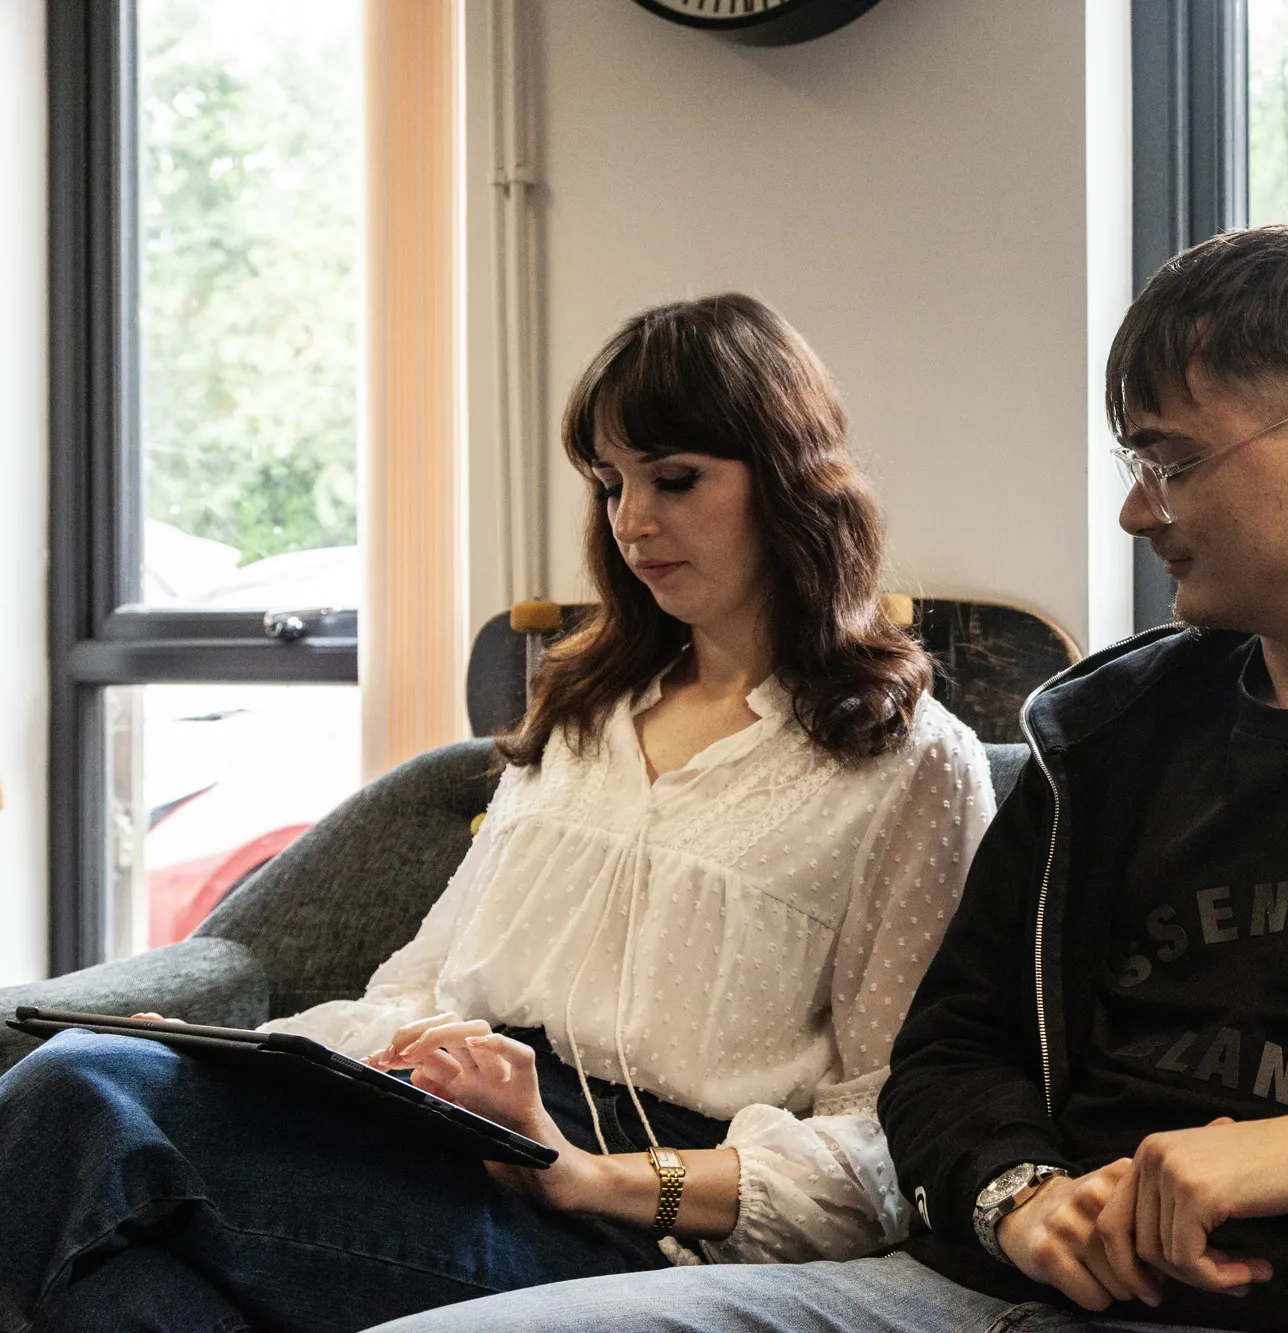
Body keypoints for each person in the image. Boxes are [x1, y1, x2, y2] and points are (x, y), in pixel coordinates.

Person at [367, 224, 1288, 1333]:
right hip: (966, 1291)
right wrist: (1020, 1197)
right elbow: (941, 1062)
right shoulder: (1114, 735)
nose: (1139, 507)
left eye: (1168, 458)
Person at [0, 294, 994, 1333]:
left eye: (674, 478)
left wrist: (588, 1175)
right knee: (114, 1248)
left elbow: (894, 1143)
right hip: (430, 1136)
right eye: (609, 484)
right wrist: (222, 1068)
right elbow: (420, 985)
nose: (631, 520)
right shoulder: (583, 714)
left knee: (80, 1098)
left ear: (790, 476)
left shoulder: (911, 763)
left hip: (625, 1214)